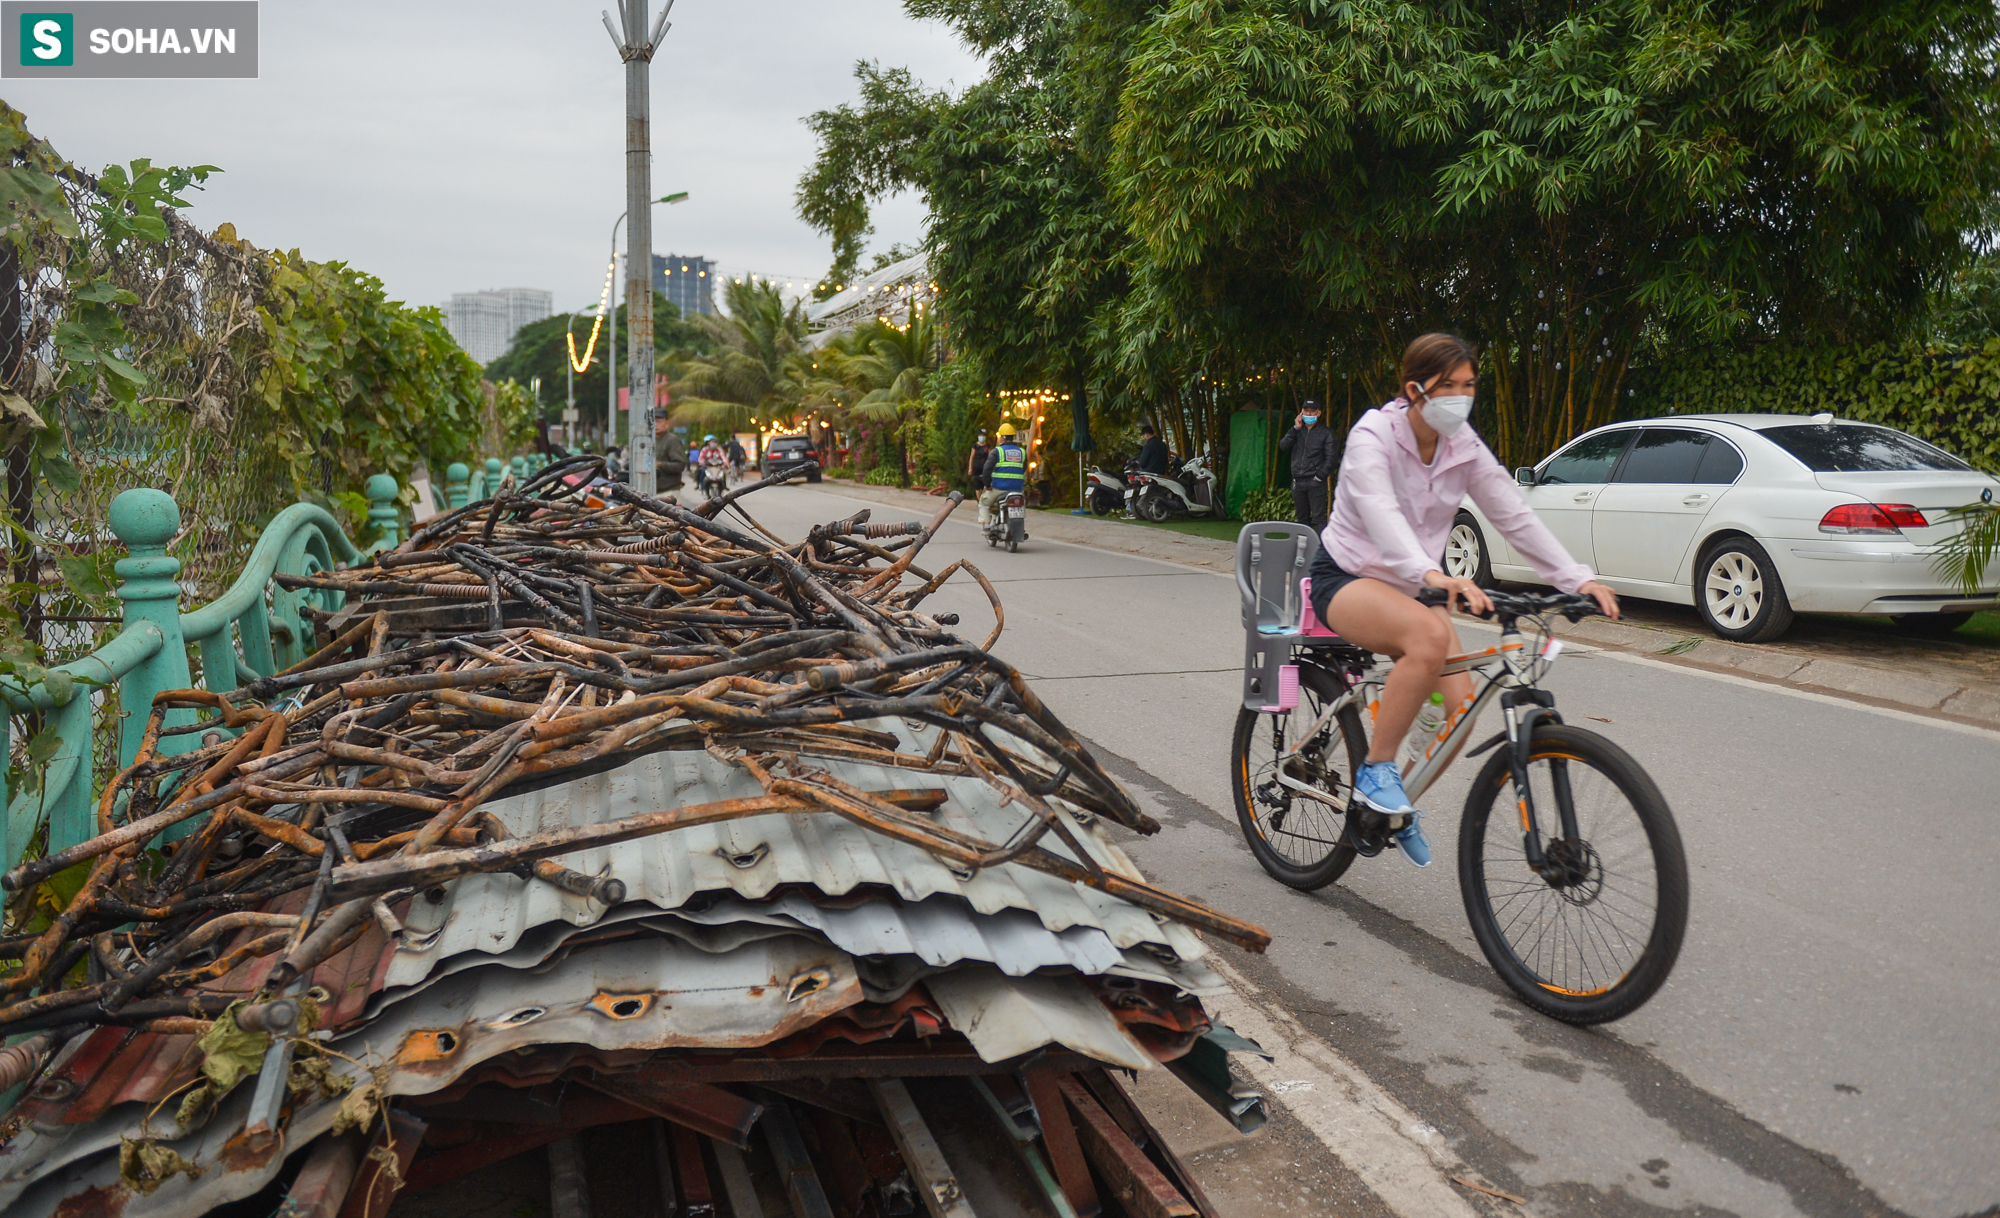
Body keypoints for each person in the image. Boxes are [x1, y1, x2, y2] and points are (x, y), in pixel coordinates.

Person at [1311, 332, 1619, 868]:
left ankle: (1391, 804)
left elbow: (1512, 514)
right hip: (1348, 576)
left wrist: (1576, 579)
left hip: (1419, 585)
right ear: (1414, 389)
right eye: (1447, 385)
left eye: (1469, 384)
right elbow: (1381, 515)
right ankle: (1374, 773)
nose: (1461, 395)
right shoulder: (1372, 436)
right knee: (1428, 638)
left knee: (1461, 712)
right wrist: (1433, 572)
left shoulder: (1463, 446)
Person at [1278, 399, 1337, 529]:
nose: (1308, 414)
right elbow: (1283, 446)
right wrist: (1295, 428)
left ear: (1319, 413)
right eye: (1306, 411)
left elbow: (1331, 459)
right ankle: (1304, 548)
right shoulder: (1297, 431)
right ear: (1301, 413)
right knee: (1302, 520)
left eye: (1312, 411)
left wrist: (1319, 477)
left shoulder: (1326, 433)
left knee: (1318, 519)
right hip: (1297, 482)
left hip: (1315, 481)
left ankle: (1319, 548)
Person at [979, 423, 1027, 526]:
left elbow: (987, 470)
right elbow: (1023, 468)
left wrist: (987, 485)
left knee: (984, 503)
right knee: (1021, 505)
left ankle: (987, 526)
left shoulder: (997, 451)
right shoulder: (1022, 452)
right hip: (1017, 489)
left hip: (999, 489)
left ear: (1001, 437)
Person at [967, 430, 993, 498]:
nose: (982, 437)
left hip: (985, 468)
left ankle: (984, 499)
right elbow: (972, 457)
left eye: (984, 436)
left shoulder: (987, 446)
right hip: (977, 467)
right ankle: (979, 501)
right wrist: (970, 468)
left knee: (985, 484)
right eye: (981, 435)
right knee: (977, 485)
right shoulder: (975, 446)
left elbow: (991, 457)